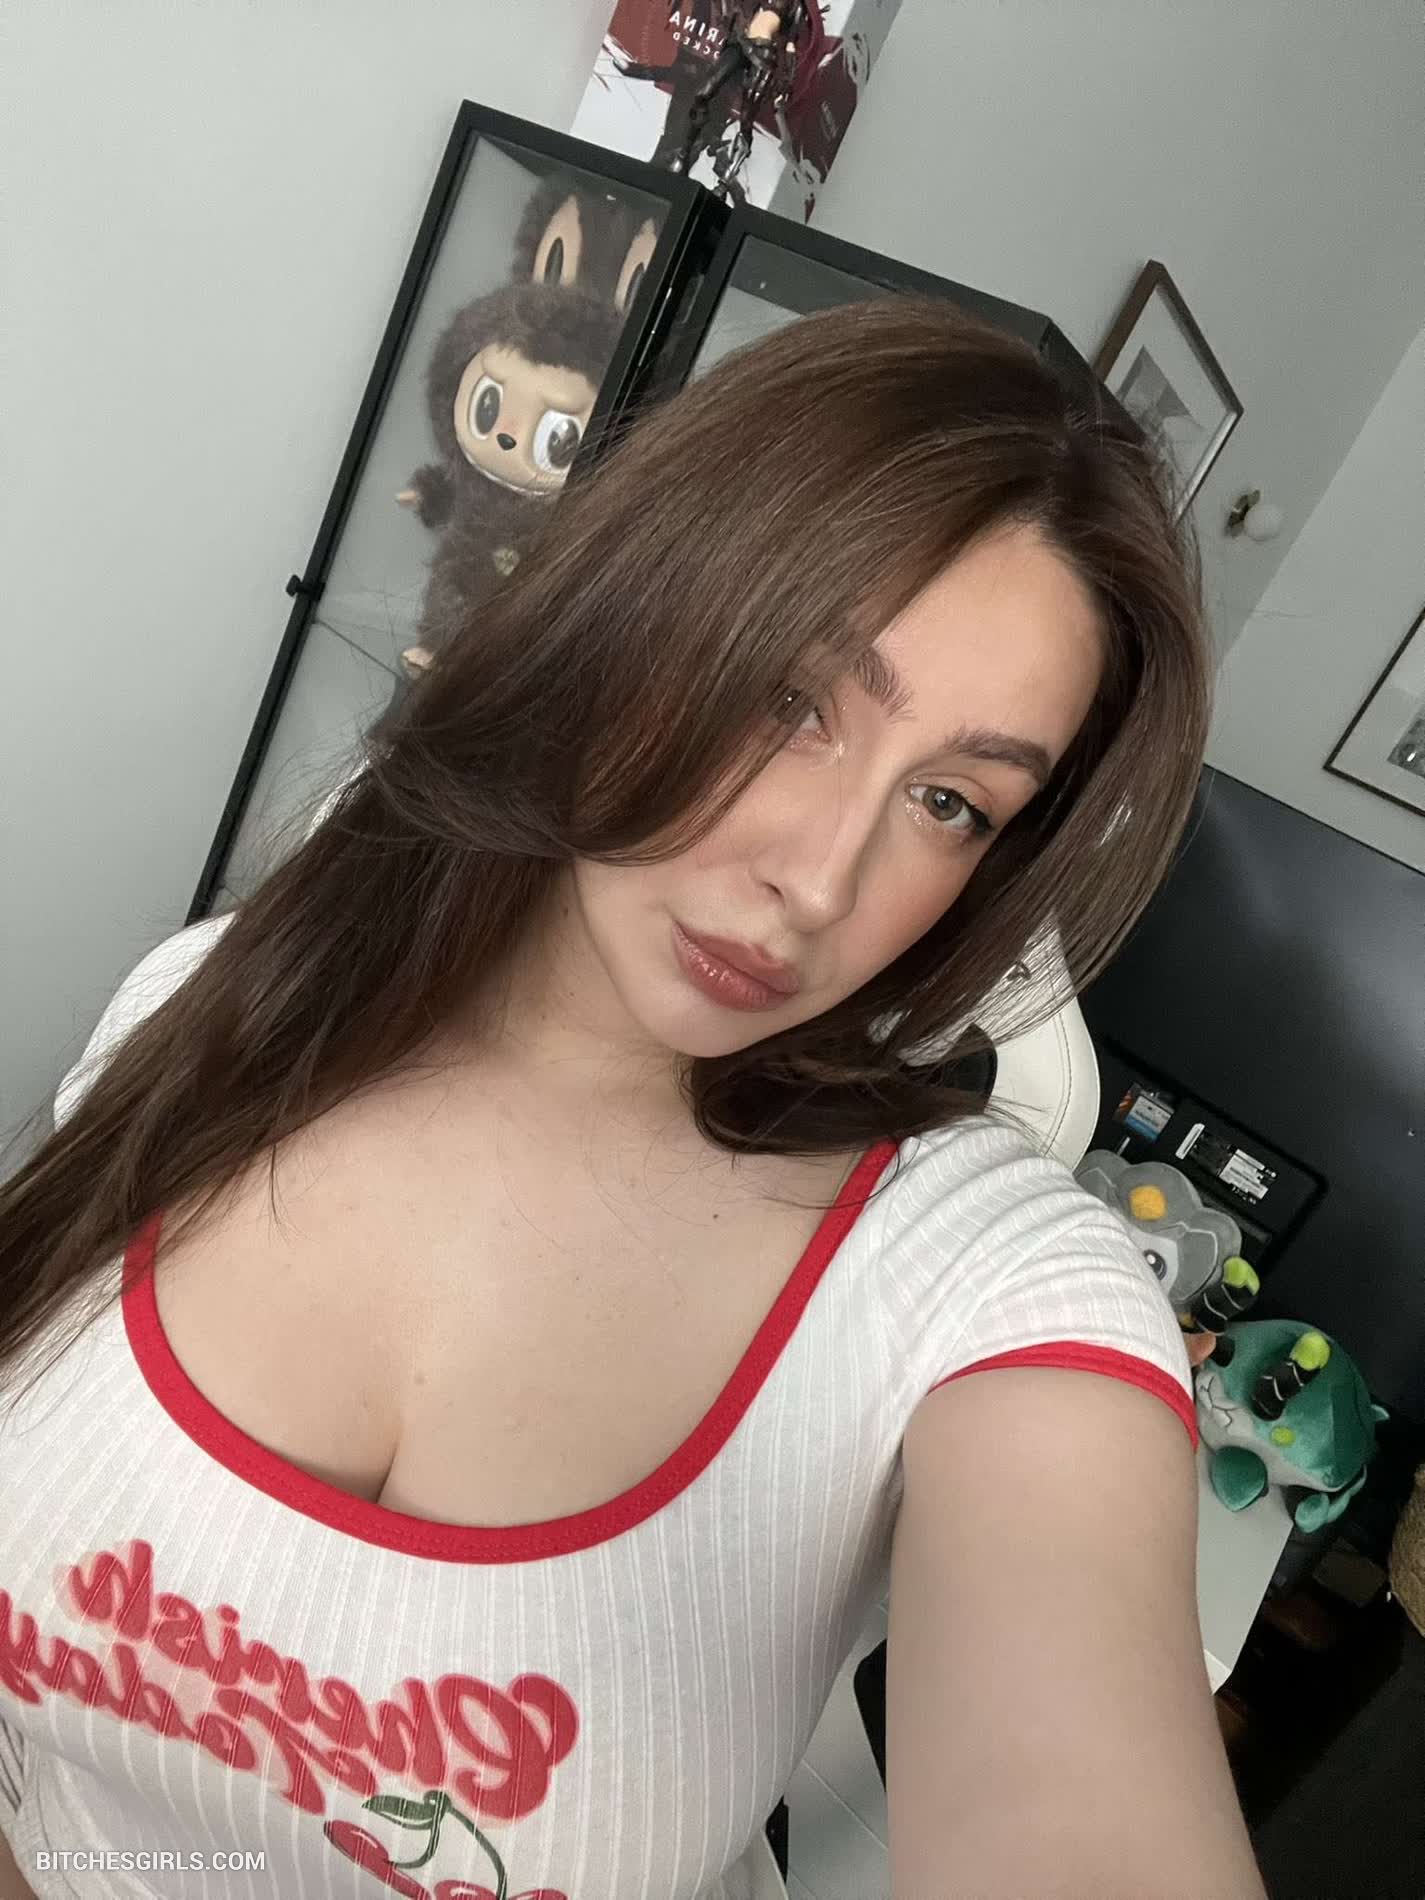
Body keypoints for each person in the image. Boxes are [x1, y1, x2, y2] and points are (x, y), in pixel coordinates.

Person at [0, 298, 1266, 1900]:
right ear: (627, 614)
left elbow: (1069, 1809)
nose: (819, 879)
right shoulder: (207, 1012)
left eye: (949, 801)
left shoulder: (983, 1279)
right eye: (790, 701)